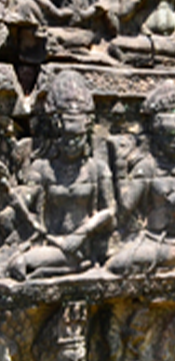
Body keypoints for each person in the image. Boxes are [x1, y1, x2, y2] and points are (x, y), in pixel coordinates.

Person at [8, 71, 115, 280]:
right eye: (67, 136)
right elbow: (26, 202)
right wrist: (11, 192)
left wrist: (82, 232)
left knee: (22, 264)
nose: (72, 143)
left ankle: (73, 265)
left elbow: (110, 210)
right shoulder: (42, 168)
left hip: (81, 247)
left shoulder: (97, 169)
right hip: (54, 244)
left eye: (78, 137)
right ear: (56, 130)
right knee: (17, 264)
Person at [106, 81, 175, 275]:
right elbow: (125, 208)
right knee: (114, 261)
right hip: (150, 238)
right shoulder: (148, 167)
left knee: (119, 265)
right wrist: (120, 170)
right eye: (168, 135)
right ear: (156, 135)